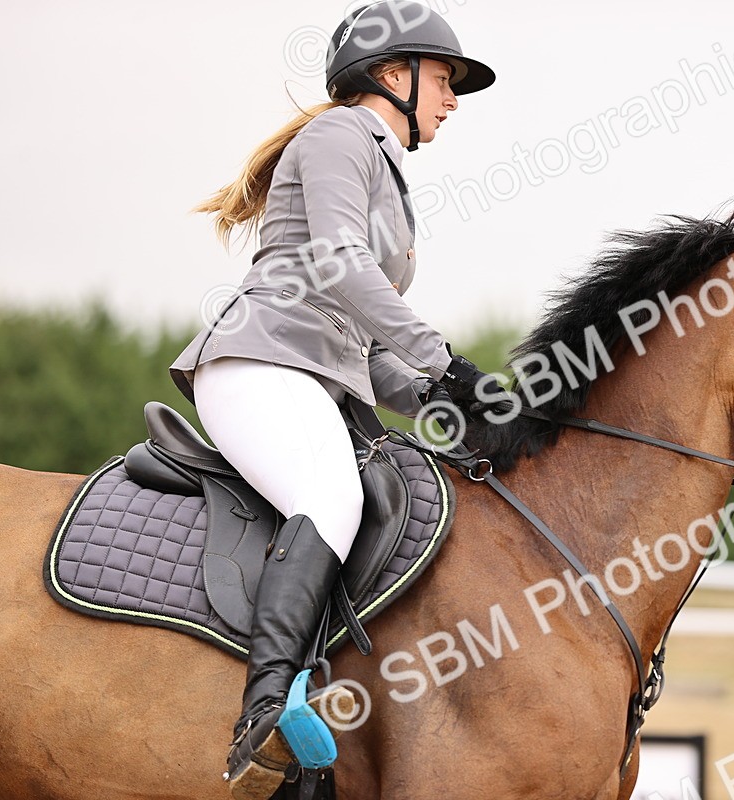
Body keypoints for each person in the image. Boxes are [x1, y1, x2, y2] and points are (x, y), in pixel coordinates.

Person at [168, 2, 495, 797]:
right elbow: (343, 265)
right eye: (445, 81)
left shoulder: (382, 166)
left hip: (314, 375)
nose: (452, 100)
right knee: (331, 495)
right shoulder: (341, 136)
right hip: (259, 364)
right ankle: (269, 709)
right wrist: (446, 360)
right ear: (393, 74)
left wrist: (458, 404)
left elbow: (369, 356)